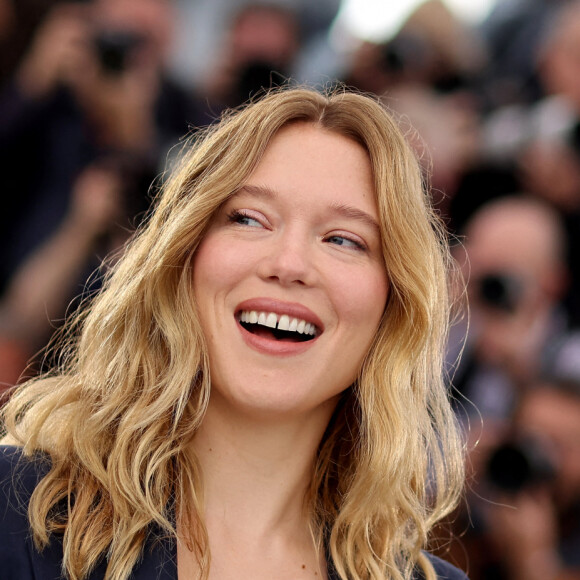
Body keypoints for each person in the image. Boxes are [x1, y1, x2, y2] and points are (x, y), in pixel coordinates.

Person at [0, 87, 467, 580]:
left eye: (343, 239)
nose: (288, 264)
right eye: (249, 218)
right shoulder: (16, 508)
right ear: (184, 258)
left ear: (392, 304)